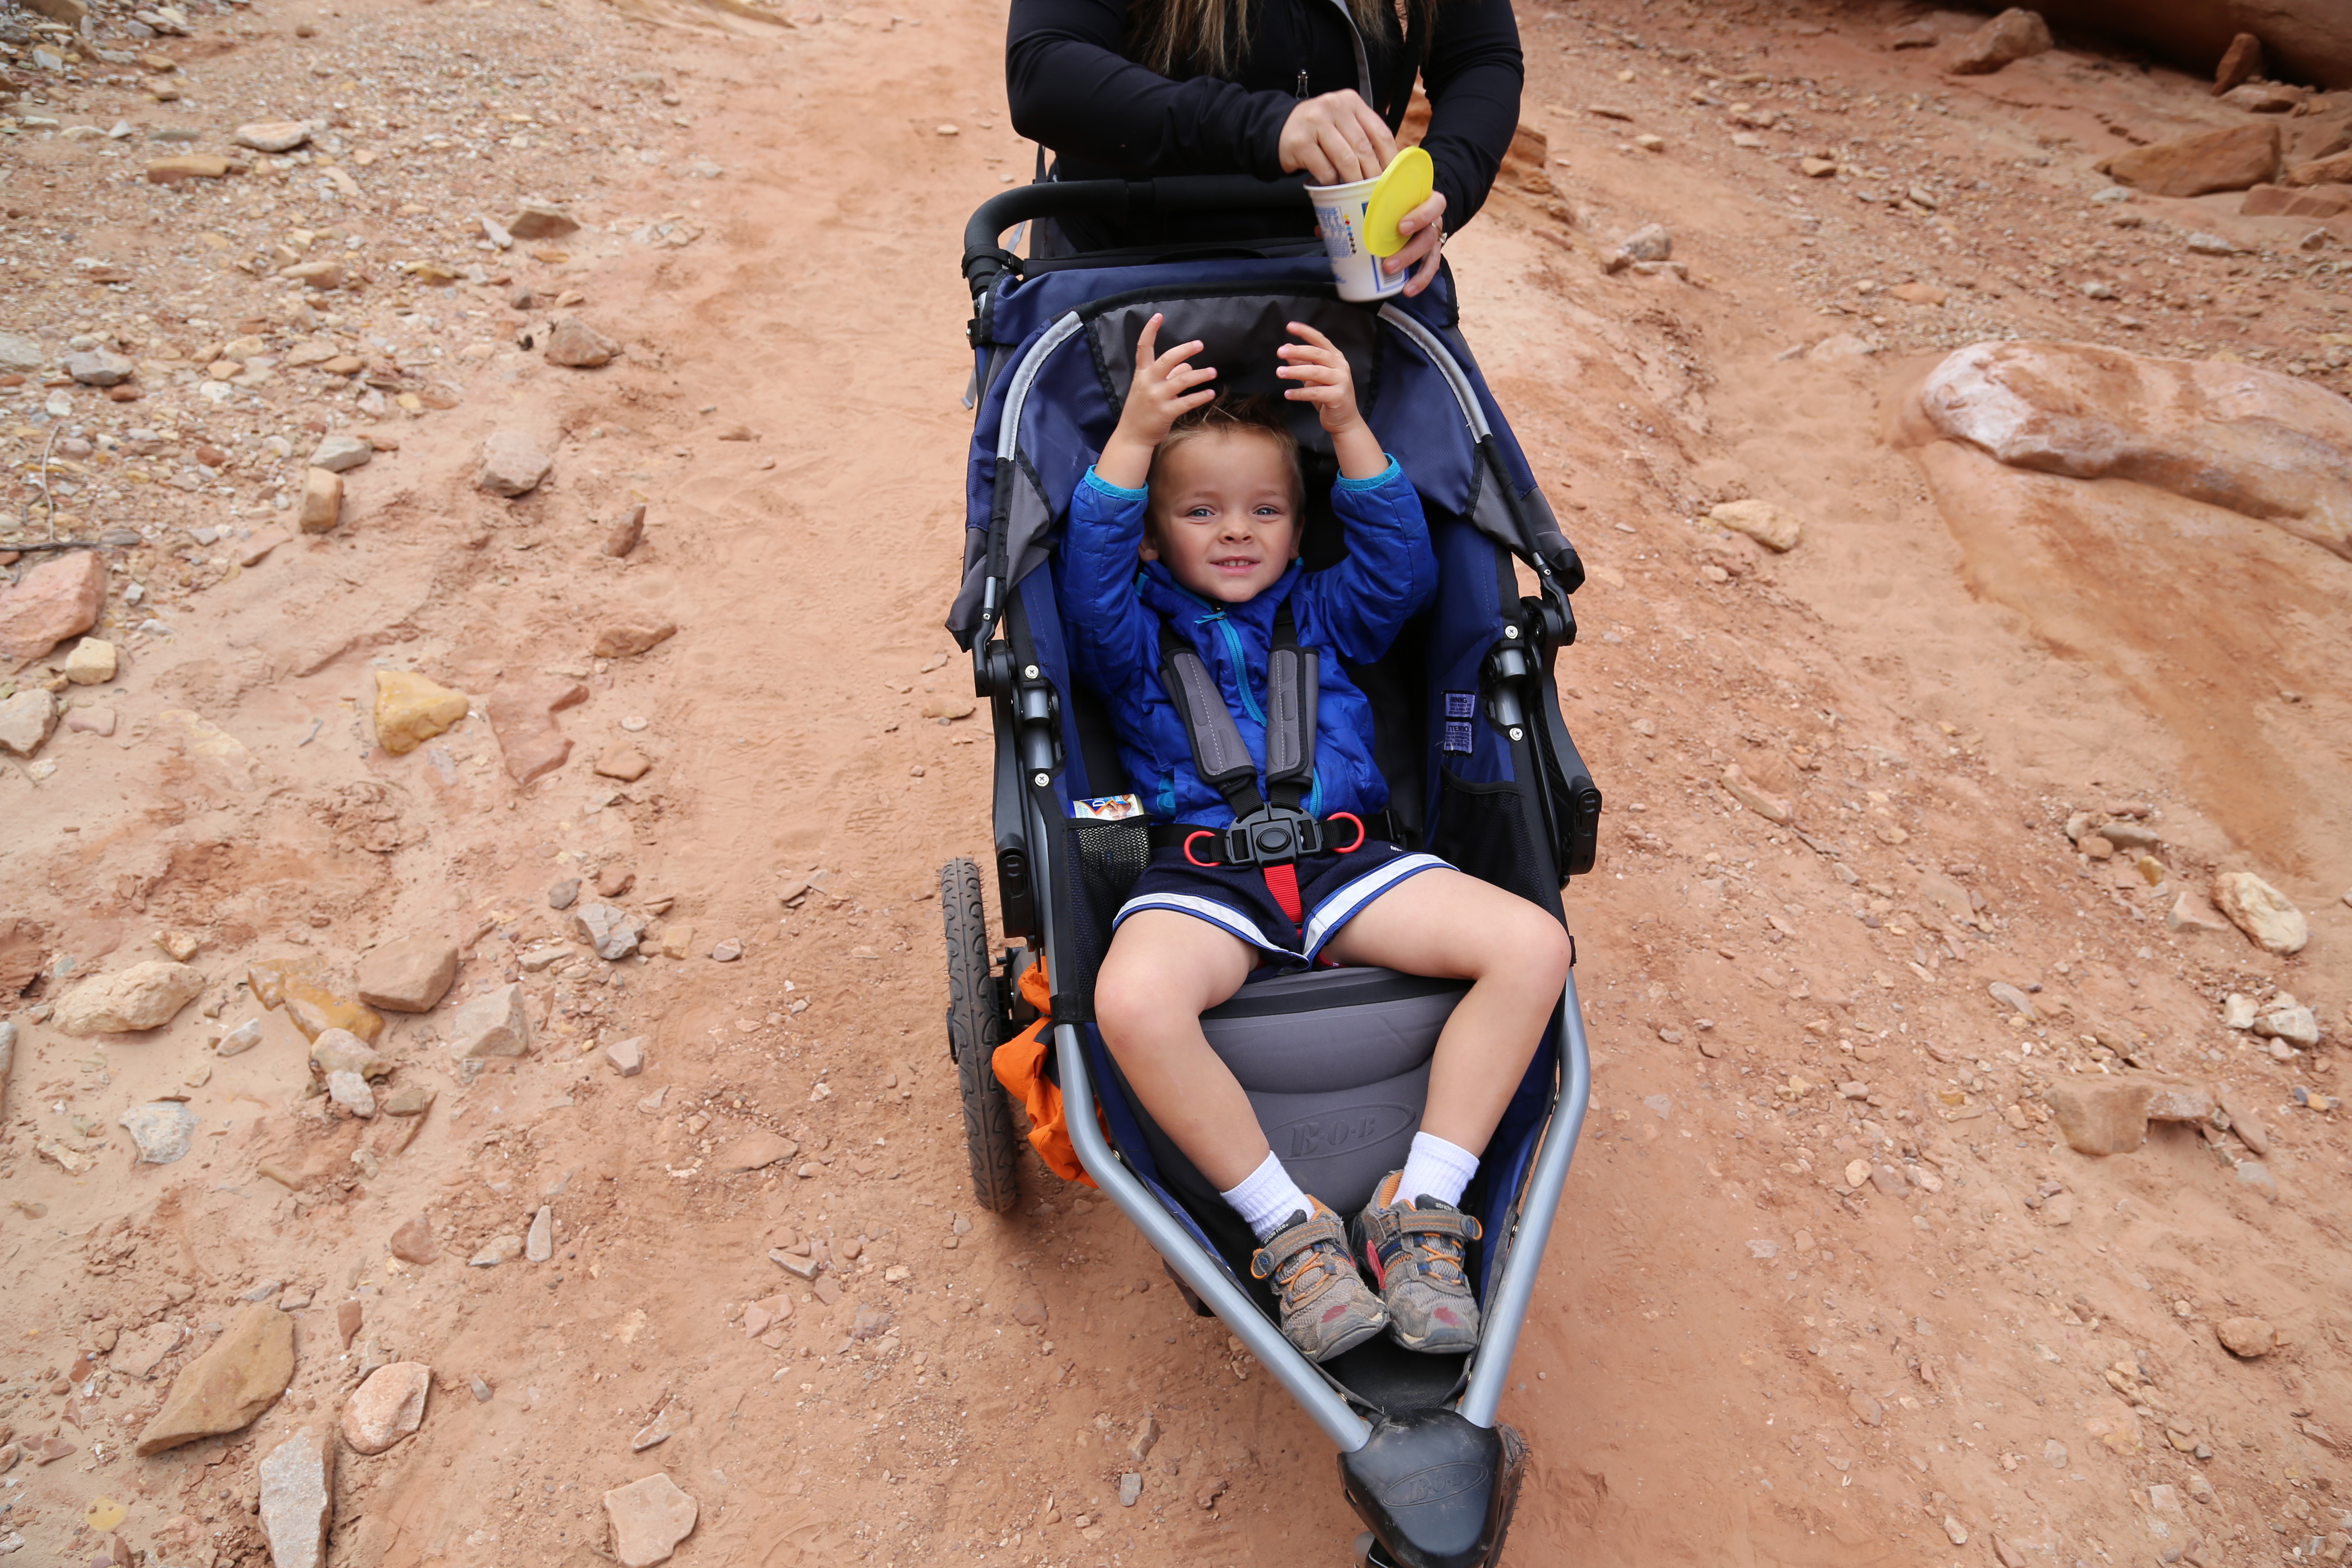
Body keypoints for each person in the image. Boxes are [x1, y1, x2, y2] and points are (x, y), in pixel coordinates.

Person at [1059, 313, 1571, 1362]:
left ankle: (1421, 1209)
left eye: (1263, 510)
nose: (1236, 530)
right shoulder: (1128, 637)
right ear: (1156, 535)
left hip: (1348, 863)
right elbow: (1088, 577)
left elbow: (1400, 570)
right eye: (1201, 511)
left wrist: (1344, 423)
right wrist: (1129, 441)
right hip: (1203, 877)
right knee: (1130, 999)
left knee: (1532, 944)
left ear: (1299, 527)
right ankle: (1289, 1231)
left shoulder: (1332, 612)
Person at [1006, 0, 1525, 294]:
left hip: (1335, 277)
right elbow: (1044, 72)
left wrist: (1442, 188)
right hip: (1125, 275)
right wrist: (1272, 126)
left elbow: (1480, 57)